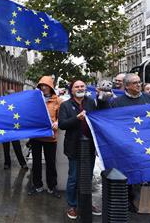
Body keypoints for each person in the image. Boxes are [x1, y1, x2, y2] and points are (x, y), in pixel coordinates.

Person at [111, 74, 150, 212]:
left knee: (147, 172)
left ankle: (143, 201)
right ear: (126, 86)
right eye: (134, 83)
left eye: (139, 82)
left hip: (147, 144)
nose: (138, 85)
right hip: (128, 145)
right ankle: (128, 200)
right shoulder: (117, 102)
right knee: (129, 172)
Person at [58, 80, 102, 220]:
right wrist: (76, 119)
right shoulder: (65, 105)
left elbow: (99, 121)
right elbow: (62, 124)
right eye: (77, 86)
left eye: (82, 86)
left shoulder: (91, 102)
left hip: (89, 147)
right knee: (73, 178)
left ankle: (87, 204)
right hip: (74, 147)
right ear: (72, 90)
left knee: (87, 178)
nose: (80, 88)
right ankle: (72, 205)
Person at [27, 76, 61, 198]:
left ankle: (52, 187)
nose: (44, 87)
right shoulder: (35, 100)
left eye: (46, 85)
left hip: (50, 138)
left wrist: (58, 122)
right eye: (41, 85)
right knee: (36, 163)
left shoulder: (58, 100)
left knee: (51, 163)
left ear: (51, 87)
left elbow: (61, 117)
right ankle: (37, 185)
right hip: (36, 137)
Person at [1, 90, 28, 170]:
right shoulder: (3, 103)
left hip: (14, 130)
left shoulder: (17, 104)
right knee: (6, 148)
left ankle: (23, 163)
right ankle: (7, 163)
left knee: (17, 148)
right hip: (5, 130)